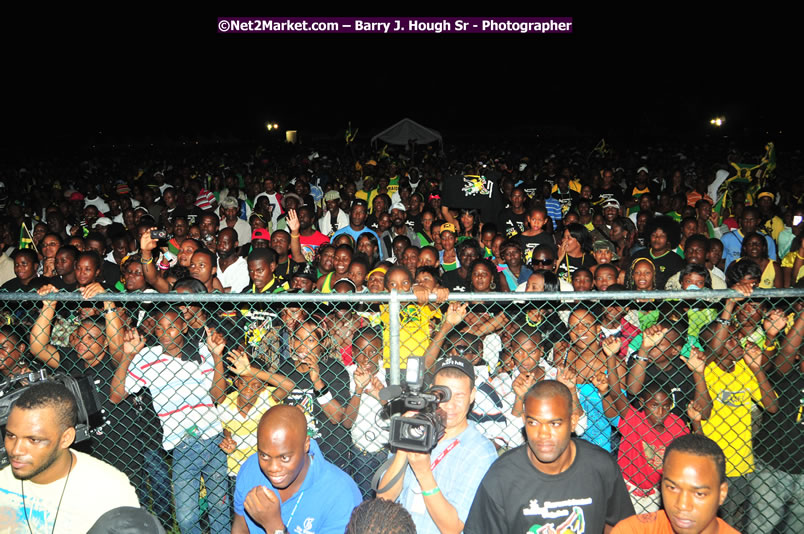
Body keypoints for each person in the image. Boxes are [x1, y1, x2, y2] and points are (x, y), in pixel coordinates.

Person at [464, 380, 634, 534]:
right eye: (533, 422)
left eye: (554, 423)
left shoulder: (600, 466)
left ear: (573, 421)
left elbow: (620, 525)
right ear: (524, 421)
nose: (543, 434)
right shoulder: (502, 476)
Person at [378, 355, 497, 534]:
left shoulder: (480, 451)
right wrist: (404, 444)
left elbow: (452, 528)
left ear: (472, 395)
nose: (451, 405)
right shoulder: (415, 429)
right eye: (444, 394)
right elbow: (383, 499)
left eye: (459, 396)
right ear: (432, 392)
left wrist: (424, 473)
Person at [0, 381, 140, 533]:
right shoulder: (4, 480)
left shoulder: (108, 490)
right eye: (11, 436)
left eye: (34, 440)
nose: (16, 450)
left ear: (66, 438)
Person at [232, 405, 361, 534]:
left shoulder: (341, 494)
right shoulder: (251, 468)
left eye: (284, 458)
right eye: (264, 455)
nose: (273, 468)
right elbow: (240, 528)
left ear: (306, 445)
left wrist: (274, 526)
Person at [611, 434, 738, 534]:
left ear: (722, 493)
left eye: (699, 494)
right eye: (672, 487)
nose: (682, 505)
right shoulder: (632, 531)